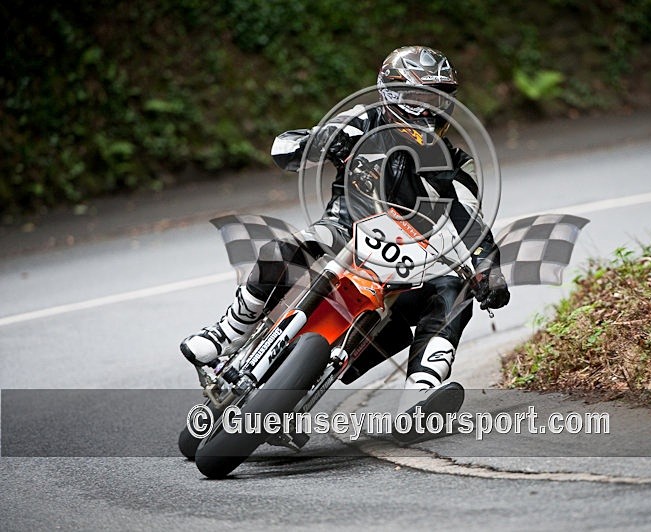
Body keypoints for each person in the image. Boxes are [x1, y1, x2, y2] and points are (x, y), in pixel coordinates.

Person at [180, 46, 510, 428]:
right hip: (344, 229)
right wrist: (317, 143)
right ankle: (228, 332)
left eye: (438, 99)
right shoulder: (361, 120)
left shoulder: (454, 161)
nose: (430, 109)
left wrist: (489, 269)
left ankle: (419, 395)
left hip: (410, 261)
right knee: (286, 249)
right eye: (420, 98)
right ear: (392, 93)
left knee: (455, 290)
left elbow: (471, 219)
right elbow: (288, 148)